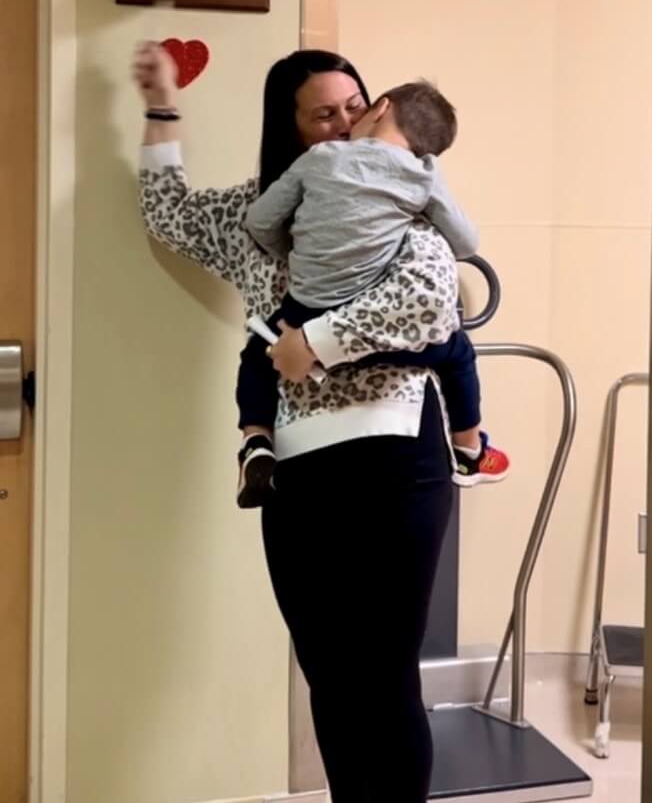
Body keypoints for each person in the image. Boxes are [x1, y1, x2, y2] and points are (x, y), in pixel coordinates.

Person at [133, 42, 460, 803]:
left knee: (385, 674)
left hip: (397, 457)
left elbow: (429, 304)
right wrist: (160, 106)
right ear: (292, 131)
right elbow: (166, 211)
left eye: (357, 107)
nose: (346, 127)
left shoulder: (403, 194)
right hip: (300, 470)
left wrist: (311, 342)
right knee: (329, 672)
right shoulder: (257, 214)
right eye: (325, 114)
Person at [236, 80, 509, 507]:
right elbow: (466, 243)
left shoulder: (319, 158)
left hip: (304, 309)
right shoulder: (422, 174)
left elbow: (259, 220)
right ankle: (470, 449)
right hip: (376, 328)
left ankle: (256, 443)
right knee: (458, 355)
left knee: (257, 354)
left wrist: (289, 251)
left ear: (379, 108)